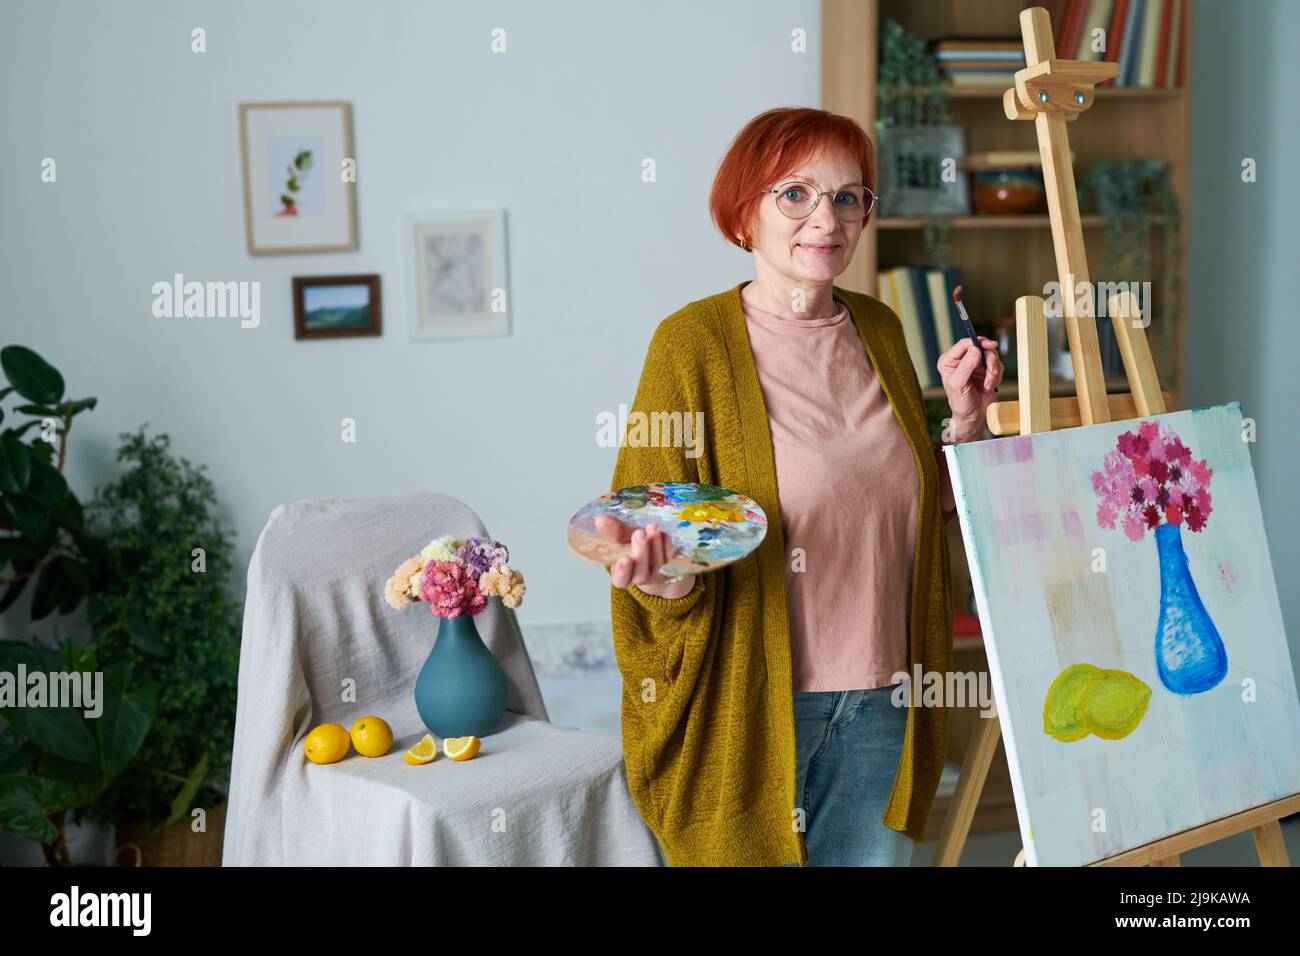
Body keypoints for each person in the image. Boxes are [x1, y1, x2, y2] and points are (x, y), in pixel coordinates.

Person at [599, 107, 1003, 866]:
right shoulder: (691, 346)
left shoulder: (878, 328)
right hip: (758, 705)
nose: (827, 217)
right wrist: (662, 582)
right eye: (796, 194)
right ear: (743, 213)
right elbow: (657, 542)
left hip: (886, 702)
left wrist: (967, 423)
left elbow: (909, 504)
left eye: (849, 197)